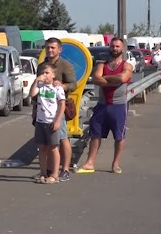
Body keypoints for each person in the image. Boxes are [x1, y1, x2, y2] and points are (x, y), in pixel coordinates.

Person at [78, 38, 133, 174]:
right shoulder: (102, 65)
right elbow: (96, 78)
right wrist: (111, 80)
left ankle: (115, 164)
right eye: (112, 46)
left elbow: (122, 78)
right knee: (95, 134)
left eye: (117, 46)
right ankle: (90, 162)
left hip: (118, 107)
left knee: (119, 136)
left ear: (122, 49)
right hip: (102, 105)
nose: (114, 48)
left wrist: (105, 79)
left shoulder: (127, 66)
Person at [35, 37, 77, 182]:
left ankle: (65, 169)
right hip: (43, 108)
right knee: (44, 144)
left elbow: (73, 85)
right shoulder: (41, 66)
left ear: (60, 49)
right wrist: (35, 109)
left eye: (53, 47)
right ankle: (46, 170)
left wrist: (62, 85)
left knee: (63, 138)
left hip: (59, 108)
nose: (50, 50)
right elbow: (38, 87)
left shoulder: (66, 65)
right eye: (48, 47)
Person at [30, 62, 66, 184]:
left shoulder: (57, 88)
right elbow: (32, 94)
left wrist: (57, 120)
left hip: (52, 121)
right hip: (41, 121)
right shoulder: (40, 86)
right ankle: (43, 173)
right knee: (42, 148)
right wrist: (36, 81)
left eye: (47, 73)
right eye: (42, 73)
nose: (44, 75)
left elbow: (62, 104)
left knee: (53, 148)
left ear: (53, 75)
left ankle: (54, 174)